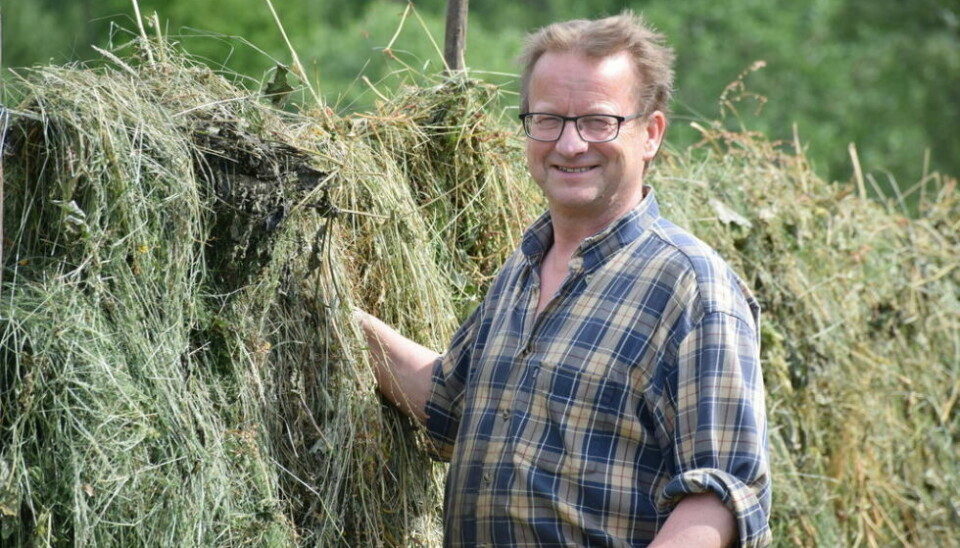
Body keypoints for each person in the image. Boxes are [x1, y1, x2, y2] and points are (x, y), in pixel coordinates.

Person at [355, 11, 771, 547]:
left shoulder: (691, 288)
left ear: (651, 134)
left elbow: (721, 493)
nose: (570, 145)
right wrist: (335, 315)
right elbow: (450, 406)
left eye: (599, 121)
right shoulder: (522, 269)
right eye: (548, 120)